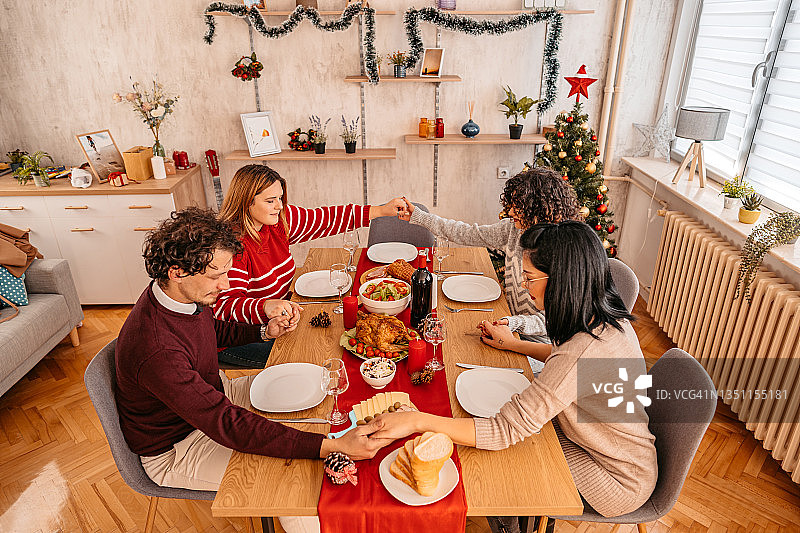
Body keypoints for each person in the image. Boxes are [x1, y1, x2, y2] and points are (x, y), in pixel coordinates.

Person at [372, 221, 657, 530]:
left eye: (530, 277)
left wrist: (417, 420)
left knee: (499, 465)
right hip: (598, 445)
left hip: (614, 477)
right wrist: (514, 344)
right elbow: (569, 367)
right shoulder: (600, 319)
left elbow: (504, 429)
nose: (523, 285)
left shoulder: (584, 350)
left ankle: (510, 525)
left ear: (562, 280)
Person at [115, 207, 389, 499]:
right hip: (180, 445)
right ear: (177, 271)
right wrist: (332, 447)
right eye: (216, 276)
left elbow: (211, 330)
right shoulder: (157, 350)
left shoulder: (175, 293)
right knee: (298, 480)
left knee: (321, 384)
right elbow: (226, 423)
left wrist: (263, 332)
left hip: (215, 394)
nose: (226, 285)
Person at [214, 164, 409, 367]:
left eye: (280, 198)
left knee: (334, 339)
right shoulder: (232, 246)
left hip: (280, 319)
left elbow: (325, 219)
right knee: (319, 356)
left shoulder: (277, 222)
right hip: (243, 337)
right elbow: (224, 307)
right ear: (246, 202)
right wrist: (265, 306)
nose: (279, 206)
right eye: (270, 201)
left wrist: (380, 211)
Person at [402, 167, 581, 360]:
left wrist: (513, 323)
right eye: (511, 204)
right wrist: (421, 217)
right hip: (508, 323)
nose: (510, 211)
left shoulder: (563, 254)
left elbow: (552, 322)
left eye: (518, 207)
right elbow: (468, 233)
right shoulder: (514, 229)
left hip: (540, 346)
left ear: (539, 208)